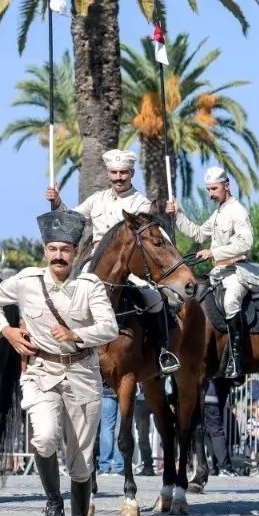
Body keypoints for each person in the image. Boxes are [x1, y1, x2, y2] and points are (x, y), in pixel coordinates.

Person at [0, 210, 119, 516]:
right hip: (41, 372)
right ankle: (53, 501)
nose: (59, 256)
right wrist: (8, 331)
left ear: (76, 253)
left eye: (66, 250)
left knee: (82, 461)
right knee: (43, 436)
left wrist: (77, 333)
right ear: (45, 250)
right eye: (53, 249)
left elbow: (110, 327)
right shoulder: (27, 281)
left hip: (82, 374)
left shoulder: (90, 286)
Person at [46, 148, 179, 374]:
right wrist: (58, 202)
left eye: (123, 173)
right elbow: (71, 219)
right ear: (109, 173)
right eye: (114, 173)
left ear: (132, 173)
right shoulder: (96, 199)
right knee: (62, 291)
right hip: (93, 262)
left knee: (155, 299)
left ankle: (163, 352)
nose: (118, 177)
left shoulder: (140, 203)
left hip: (130, 266)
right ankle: (57, 345)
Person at [167, 166, 259, 378]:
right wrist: (179, 215)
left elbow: (246, 242)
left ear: (227, 186)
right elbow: (199, 234)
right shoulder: (218, 213)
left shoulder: (238, 211)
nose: (210, 194)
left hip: (237, 272)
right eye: (208, 189)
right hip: (218, 273)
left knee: (230, 303)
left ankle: (237, 361)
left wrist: (214, 252)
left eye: (214, 189)